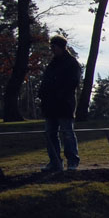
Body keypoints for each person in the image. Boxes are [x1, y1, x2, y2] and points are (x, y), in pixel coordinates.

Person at [39, 35, 82, 172]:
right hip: (50, 105)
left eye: (54, 47)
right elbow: (45, 81)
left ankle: (72, 161)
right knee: (50, 133)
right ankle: (55, 161)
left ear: (61, 47)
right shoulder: (52, 64)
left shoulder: (71, 63)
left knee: (67, 133)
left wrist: (60, 94)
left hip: (64, 104)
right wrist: (42, 94)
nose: (52, 49)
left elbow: (72, 83)